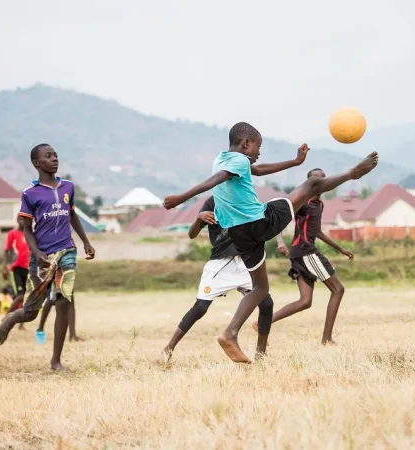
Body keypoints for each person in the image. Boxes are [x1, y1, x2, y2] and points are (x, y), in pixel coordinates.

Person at [162, 122, 378, 363]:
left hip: (239, 234)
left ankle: (230, 334)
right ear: (245, 144)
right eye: (258, 146)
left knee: (260, 288)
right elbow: (216, 180)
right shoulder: (236, 163)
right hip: (259, 222)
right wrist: (182, 197)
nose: (259, 152)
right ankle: (352, 174)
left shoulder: (222, 159)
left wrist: (294, 162)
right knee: (312, 184)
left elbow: (258, 169)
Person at [0, 143, 96, 371]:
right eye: (48, 156)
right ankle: (11, 319)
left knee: (63, 301)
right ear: (36, 163)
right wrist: (36, 252)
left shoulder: (68, 187)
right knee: (31, 312)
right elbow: (27, 229)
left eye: (56, 155)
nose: (54, 158)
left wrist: (86, 242)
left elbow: (72, 216)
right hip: (42, 256)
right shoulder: (30, 194)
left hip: (67, 250)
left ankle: (56, 361)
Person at [160, 196, 282, 364]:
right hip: (221, 263)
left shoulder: (246, 197)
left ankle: (261, 355)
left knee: (266, 303)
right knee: (200, 307)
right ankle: (168, 350)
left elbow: (268, 221)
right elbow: (192, 234)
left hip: (246, 261)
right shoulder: (214, 201)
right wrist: (198, 219)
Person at [259, 168, 354, 344]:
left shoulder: (319, 205)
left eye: (323, 179)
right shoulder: (302, 203)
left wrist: (340, 248)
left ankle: (263, 323)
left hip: (301, 253)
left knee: (305, 301)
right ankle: (327, 339)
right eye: (316, 179)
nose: (320, 182)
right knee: (338, 289)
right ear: (309, 184)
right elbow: (279, 217)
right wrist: (280, 242)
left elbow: (317, 231)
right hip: (305, 252)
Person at [2, 221, 30, 327]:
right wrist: (4, 267)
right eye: (22, 219)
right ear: (18, 220)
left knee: (26, 297)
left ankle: (21, 324)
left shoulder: (29, 234)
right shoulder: (12, 233)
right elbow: (6, 250)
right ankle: (5, 318)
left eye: (26, 219)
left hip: (27, 268)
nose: (24, 221)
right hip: (16, 268)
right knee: (20, 296)